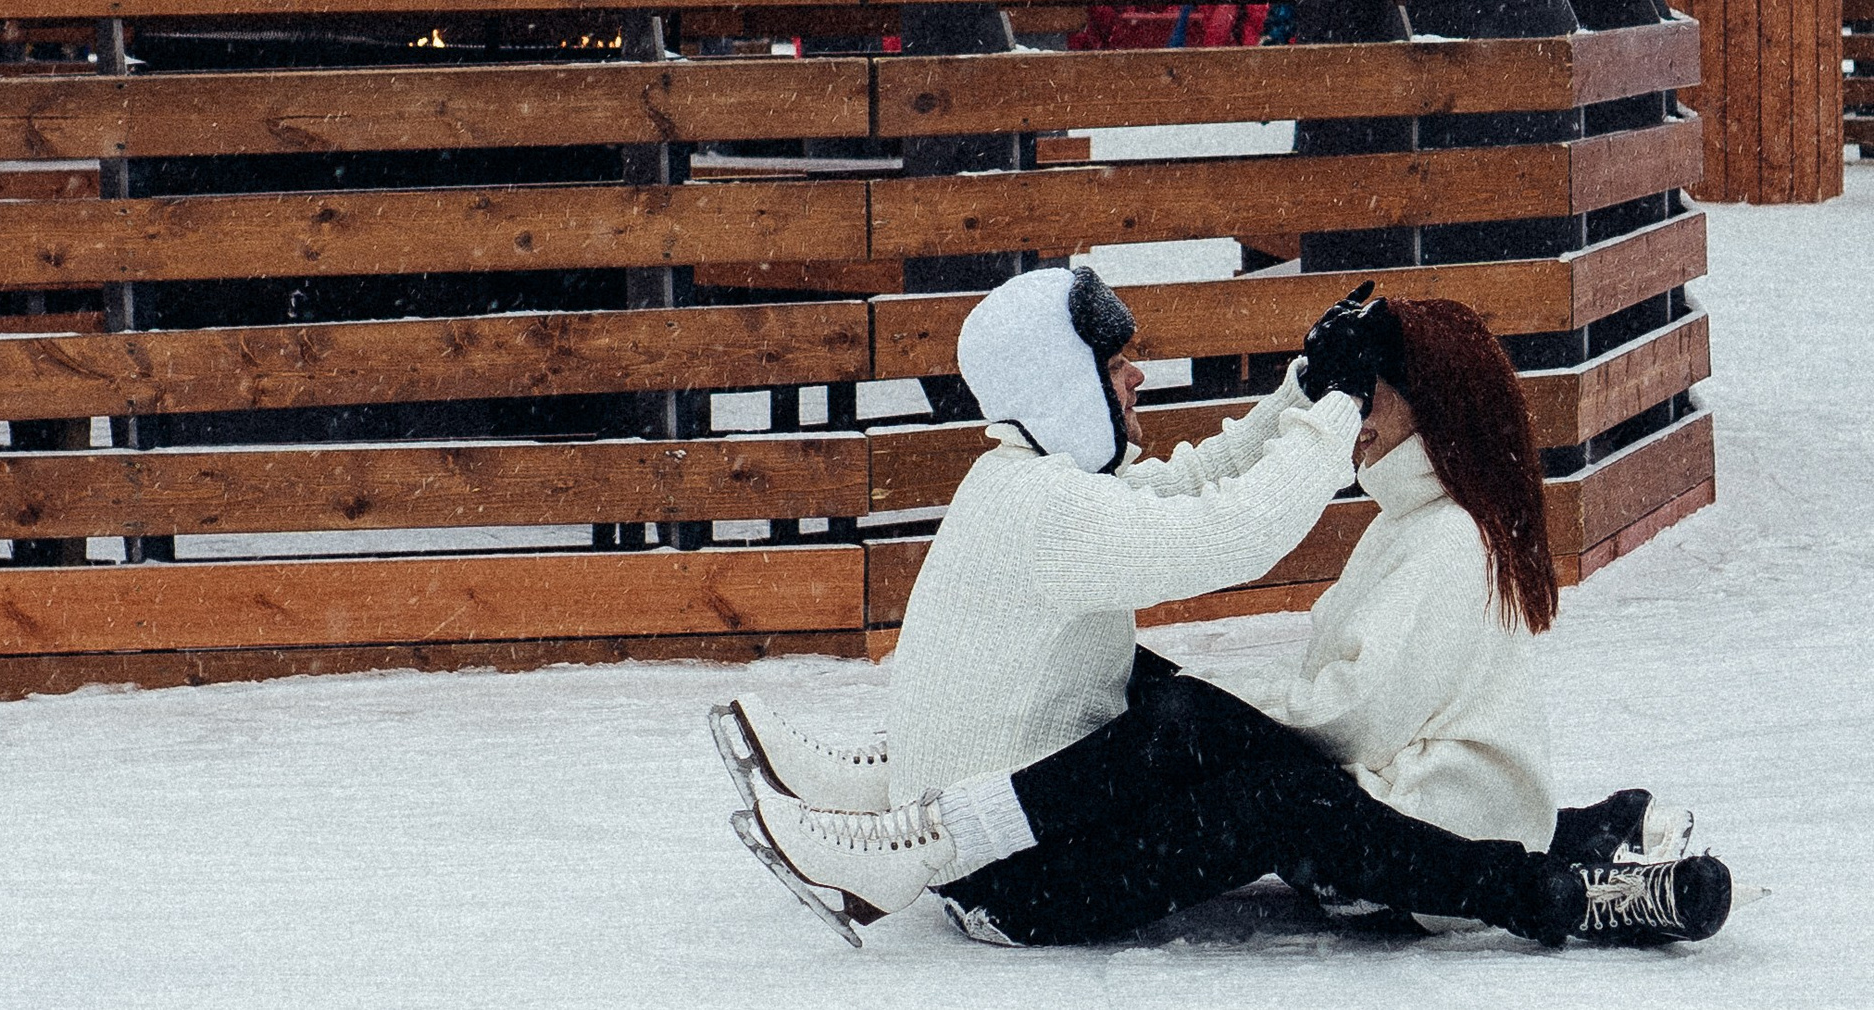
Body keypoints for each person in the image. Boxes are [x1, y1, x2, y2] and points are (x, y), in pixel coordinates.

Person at [716, 276, 1736, 949]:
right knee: (1195, 725)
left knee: (1192, 722)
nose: (1138, 376)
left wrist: (1300, 393)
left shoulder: (1020, 479)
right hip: (1018, 885)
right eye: (1116, 366)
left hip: (1032, 866)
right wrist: (1327, 405)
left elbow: (1202, 490)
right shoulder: (1053, 504)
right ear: (1063, 382)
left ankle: (905, 802)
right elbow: (1229, 527)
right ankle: (907, 815)